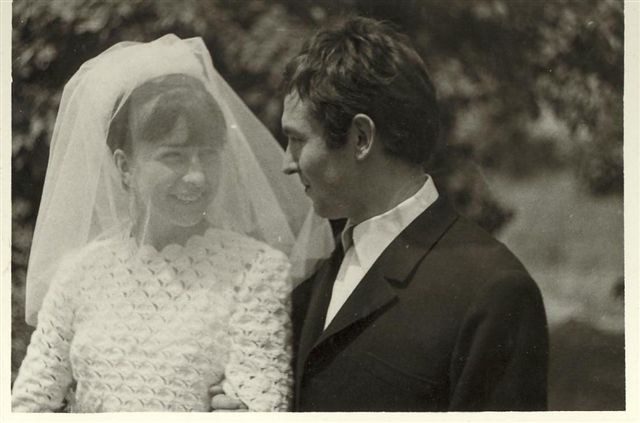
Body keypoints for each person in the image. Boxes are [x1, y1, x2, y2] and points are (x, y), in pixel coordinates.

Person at [11, 34, 333, 412]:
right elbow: (29, 402)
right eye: (173, 156)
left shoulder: (256, 271)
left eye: (207, 154)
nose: (196, 176)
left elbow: (260, 405)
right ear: (124, 166)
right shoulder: (78, 273)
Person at [280, 17, 549, 411]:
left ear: (361, 138)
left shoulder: (494, 292)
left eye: (297, 140)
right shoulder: (319, 265)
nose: (287, 163)